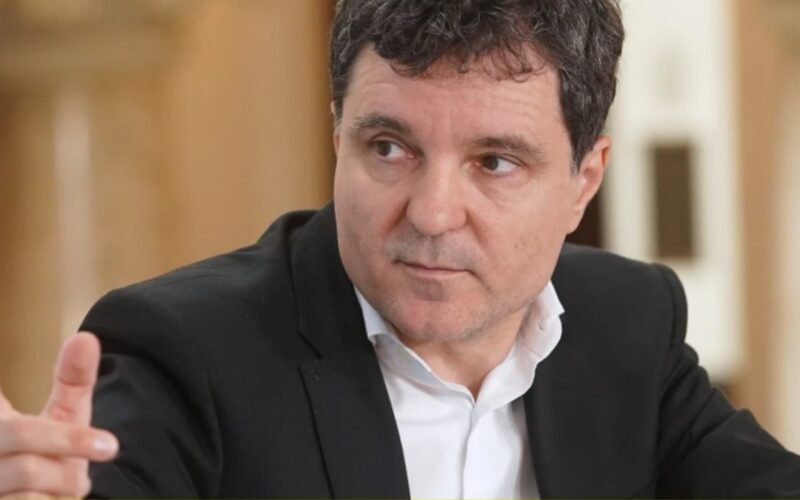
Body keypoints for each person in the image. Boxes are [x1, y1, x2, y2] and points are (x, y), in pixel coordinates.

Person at [1, 0, 799, 497]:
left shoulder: (625, 321)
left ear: (584, 180)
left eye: (494, 162)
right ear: (338, 136)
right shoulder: (187, 352)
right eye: (389, 148)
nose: (433, 212)